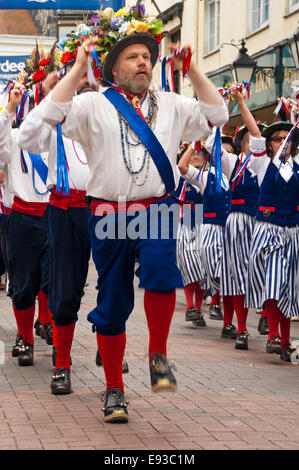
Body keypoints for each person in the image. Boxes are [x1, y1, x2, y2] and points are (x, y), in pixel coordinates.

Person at [35, 4, 228, 423]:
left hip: (157, 206)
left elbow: (218, 115)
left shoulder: (173, 103)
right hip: (107, 212)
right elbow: (49, 116)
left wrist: (193, 70)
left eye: (147, 56)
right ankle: (114, 391)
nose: (142, 62)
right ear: (113, 66)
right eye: (132, 56)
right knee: (114, 300)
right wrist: (79, 65)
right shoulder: (91, 105)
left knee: (161, 267)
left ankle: (158, 353)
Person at [205, 83, 266, 349]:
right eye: (248, 138)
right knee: (234, 275)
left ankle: (265, 319)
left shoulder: (260, 162)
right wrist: (222, 110)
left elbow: (256, 133)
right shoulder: (232, 163)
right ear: (242, 141)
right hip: (235, 224)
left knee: (259, 274)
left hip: (257, 223)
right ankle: (240, 328)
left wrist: (241, 102)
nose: (252, 140)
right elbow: (210, 145)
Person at [246, 120, 299, 361]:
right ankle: (273, 336)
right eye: (278, 138)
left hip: (293, 231)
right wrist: (238, 101)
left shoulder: (297, 166)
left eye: (287, 138)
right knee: (274, 281)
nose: (283, 142)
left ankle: (285, 342)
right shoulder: (262, 164)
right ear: (269, 145)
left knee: (290, 287)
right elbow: (254, 132)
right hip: (269, 230)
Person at [175, 143, 207, 327]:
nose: (195, 156)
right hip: (186, 221)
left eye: (199, 153)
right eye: (192, 153)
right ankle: (189, 307)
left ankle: (198, 308)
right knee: (188, 263)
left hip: (205, 222)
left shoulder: (211, 175)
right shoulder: (181, 176)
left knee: (202, 265)